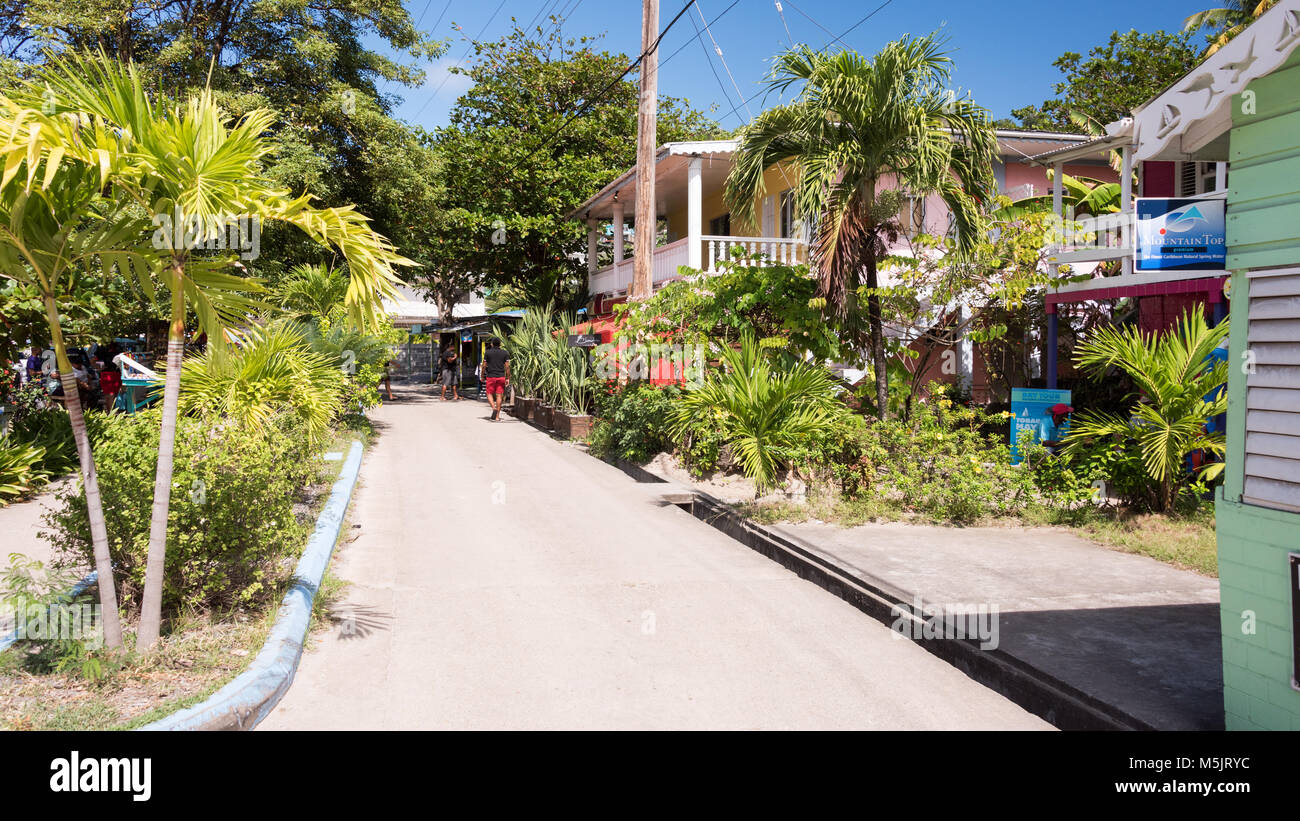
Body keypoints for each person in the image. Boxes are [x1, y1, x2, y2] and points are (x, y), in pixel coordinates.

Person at [482, 337, 510, 421]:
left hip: (491, 376)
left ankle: (494, 408)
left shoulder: (488, 353)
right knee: (499, 395)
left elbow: (484, 365)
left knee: (489, 393)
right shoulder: (505, 353)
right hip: (501, 376)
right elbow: (507, 367)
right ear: (500, 344)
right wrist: (508, 377)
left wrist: (482, 375)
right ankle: (497, 417)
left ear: (491, 344)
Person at [97, 341, 122, 412]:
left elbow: (94, 360)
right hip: (116, 374)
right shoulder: (118, 350)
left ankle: (110, 412)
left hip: (106, 374)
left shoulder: (101, 349)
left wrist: (100, 367)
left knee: (109, 395)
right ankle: (111, 412)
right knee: (113, 395)